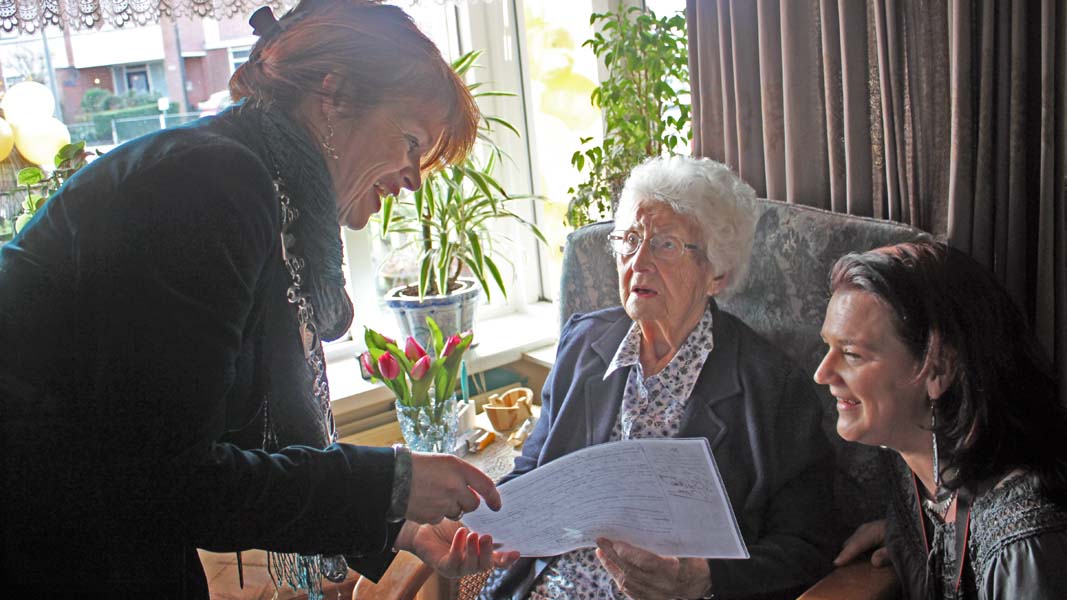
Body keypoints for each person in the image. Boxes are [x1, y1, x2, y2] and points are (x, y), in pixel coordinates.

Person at [0, 1, 519, 596]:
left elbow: (214, 447)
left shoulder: (256, 187)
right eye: (410, 141)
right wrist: (390, 484)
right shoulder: (213, 183)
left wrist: (398, 524)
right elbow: (171, 481)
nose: (413, 178)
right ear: (335, 96)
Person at [478, 155, 836, 599]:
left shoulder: (771, 387)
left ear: (717, 273)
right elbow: (534, 470)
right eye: (629, 239)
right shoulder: (583, 345)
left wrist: (706, 578)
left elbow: (809, 544)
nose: (639, 261)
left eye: (665, 244)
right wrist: (484, 519)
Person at [815, 241, 1067, 599]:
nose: (822, 374)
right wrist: (899, 531)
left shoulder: (1024, 540)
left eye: (852, 354)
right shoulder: (915, 468)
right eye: (828, 346)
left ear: (939, 369)